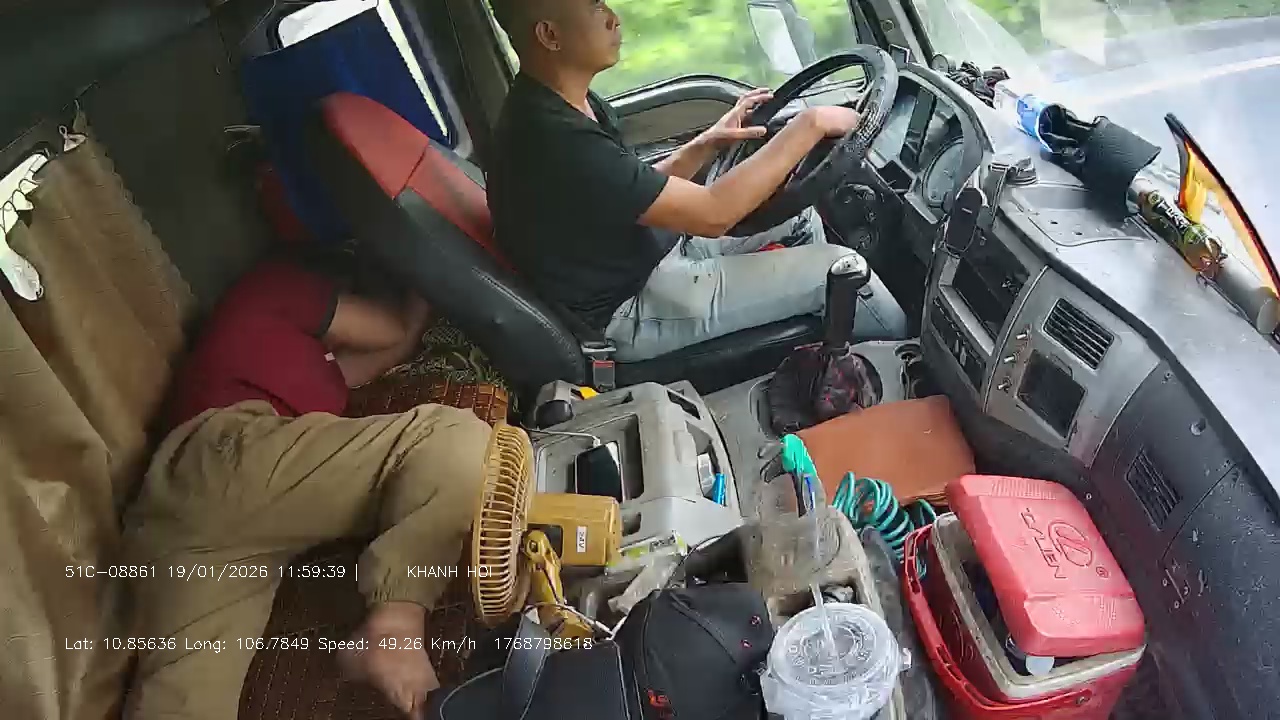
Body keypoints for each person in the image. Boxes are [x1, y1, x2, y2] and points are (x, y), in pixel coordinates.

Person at [121, 257, 517, 719]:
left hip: (192, 534)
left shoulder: (322, 373)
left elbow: (392, 348)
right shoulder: (275, 286)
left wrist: (418, 308)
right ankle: (395, 625)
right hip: (223, 456)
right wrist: (426, 273)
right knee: (457, 442)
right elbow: (391, 331)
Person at [488, 0, 905, 362]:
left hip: (647, 251)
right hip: (630, 307)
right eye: (595, 5)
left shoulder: (567, 103)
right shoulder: (553, 137)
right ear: (550, 35)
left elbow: (631, 189)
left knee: (799, 218)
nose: (614, 17)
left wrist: (708, 141)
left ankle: (819, 338)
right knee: (838, 269)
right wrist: (811, 124)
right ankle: (908, 363)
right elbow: (713, 214)